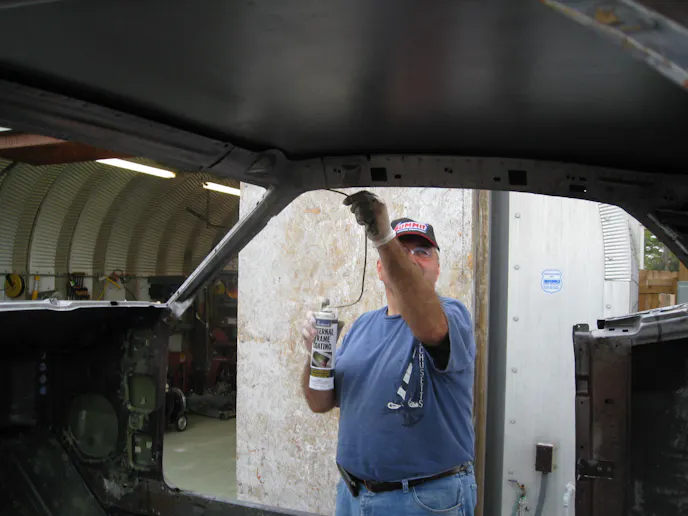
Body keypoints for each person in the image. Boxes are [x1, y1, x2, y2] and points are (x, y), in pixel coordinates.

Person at [300, 191, 477, 516]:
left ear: (438, 268)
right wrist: (315, 356)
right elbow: (320, 402)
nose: (410, 259)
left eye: (422, 252)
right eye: (401, 252)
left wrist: (384, 237)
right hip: (352, 497)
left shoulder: (452, 316)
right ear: (381, 269)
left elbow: (430, 328)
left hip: (425, 501)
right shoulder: (361, 327)